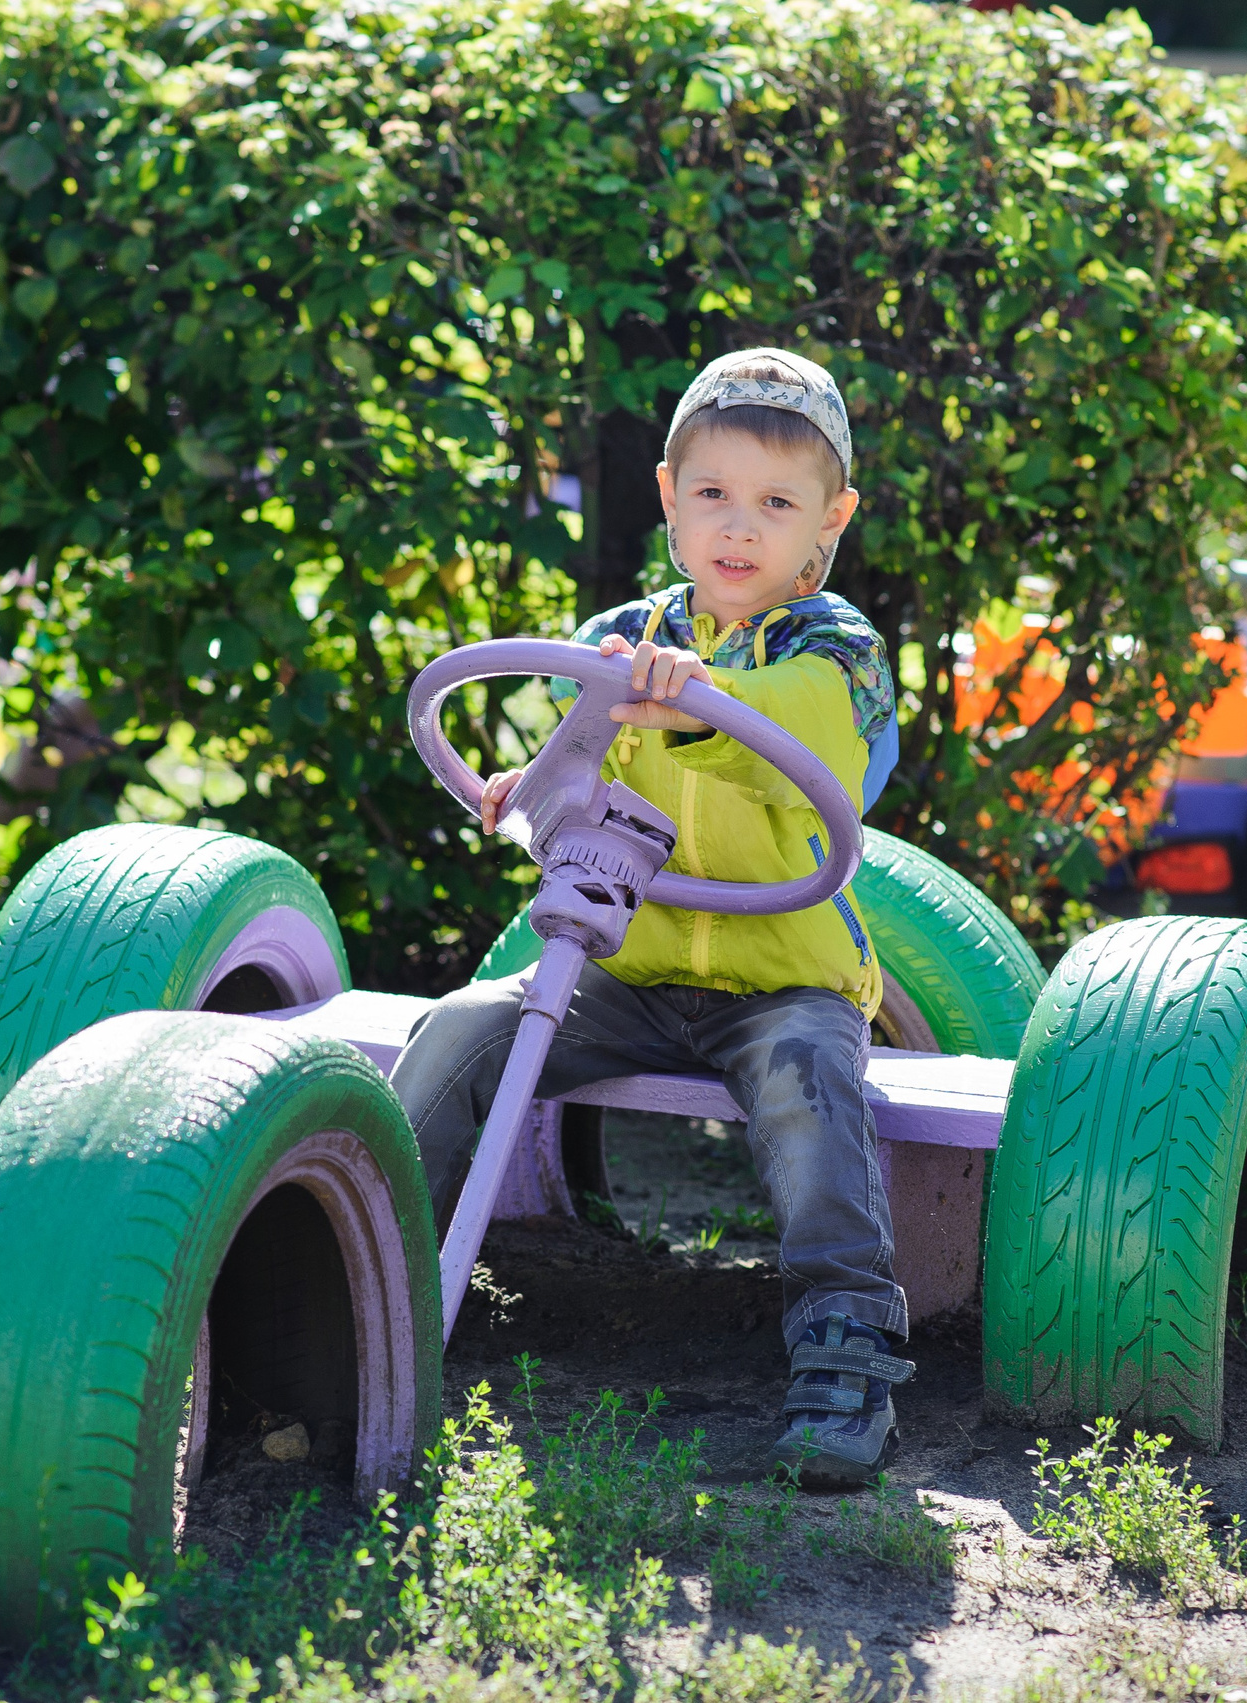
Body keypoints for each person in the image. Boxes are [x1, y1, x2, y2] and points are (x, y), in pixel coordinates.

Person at [388, 347, 913, 1489]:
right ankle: (374, 1284)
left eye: (777, 503)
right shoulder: (620, 635)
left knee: (807, 1089)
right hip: (624, 966)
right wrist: (521, 791)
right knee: (462, 1031)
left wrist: (692, 702)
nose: (740, 527)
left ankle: (845, 1345)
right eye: (714, 494)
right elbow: (573, 763)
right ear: (671, 497)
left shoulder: (836, 649)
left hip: (782, 978)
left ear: (830, 519)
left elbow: (818, 747)